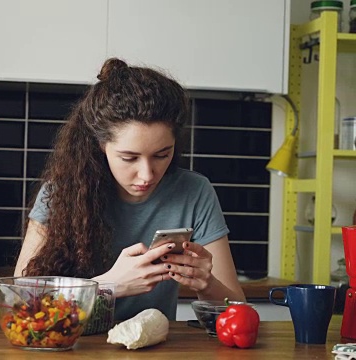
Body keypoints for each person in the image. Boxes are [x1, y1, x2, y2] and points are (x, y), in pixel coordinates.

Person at [14, 58, 246, 321]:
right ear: (101, 145)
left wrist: (206, 283)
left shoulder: (194, 191)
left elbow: (237, 309)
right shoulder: (58, 194)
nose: (147, 175)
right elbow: (20, 301)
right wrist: (109, 286)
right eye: (129, 158)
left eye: (161, 154)